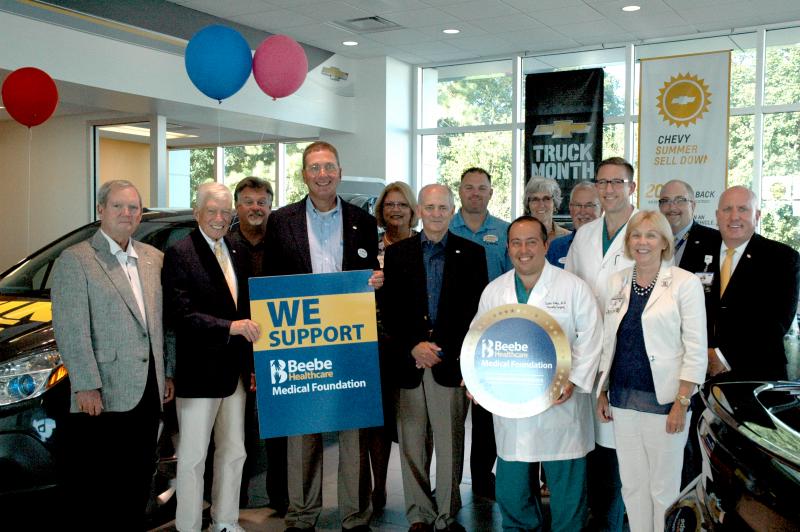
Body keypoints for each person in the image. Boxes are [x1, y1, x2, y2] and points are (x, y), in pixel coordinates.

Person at [263, 141, 382, 532]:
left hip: (350, 340)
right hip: (301, 339)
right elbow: (269, 283)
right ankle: (301, 515)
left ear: (340, 172)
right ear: (304, 175)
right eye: (314, 168)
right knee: (302, 431)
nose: (323, 174)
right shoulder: (281, 221)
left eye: (329, 166)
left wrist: (376, 281)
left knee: (353, 430)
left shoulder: (362, 221)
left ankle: (355, 515)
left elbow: (370, 275)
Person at [51, 180, 174, 530]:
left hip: (147, 390)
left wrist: (167, 372)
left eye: (133, 207)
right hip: (103, 393)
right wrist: (85, 384)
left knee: (139, 478)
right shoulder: (76, 260)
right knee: (102, 483)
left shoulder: (153, 259)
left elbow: (164, 325)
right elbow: (71, 329)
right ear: (100, 210)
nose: (126, 213)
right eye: (118, 206)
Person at [469, 215, 602, 532]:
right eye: (516, 242)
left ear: (545, 245)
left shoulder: (572, 287)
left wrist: (572, 379)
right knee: (512, 490)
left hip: (561, 406)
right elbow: (479, 340)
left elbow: (592, 336)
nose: (523, 250)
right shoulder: (495, 291)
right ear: (507, 247)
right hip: (512, 406)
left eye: (531, 242)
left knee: (567, 492)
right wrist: (475, 378)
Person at [382, 184, 488, 532]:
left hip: (449, 362)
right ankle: (419, 514)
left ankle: (446, 513)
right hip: (410, 361)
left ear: (452, 210)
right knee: (412, 444)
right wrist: (413, 345)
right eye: (430, 207)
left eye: (443, 207)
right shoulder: (398, 254)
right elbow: (390, 312)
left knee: (450, 443)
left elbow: (476, 314)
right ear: (419, 211)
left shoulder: (472, 254)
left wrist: (443, 349)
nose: (437, 213)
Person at [596, 210, 708, 532]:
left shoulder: (685, 283)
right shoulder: (616, 281)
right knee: (632, 486)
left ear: (664, 242)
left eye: (651, 235)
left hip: (666, 402)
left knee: (663, 488)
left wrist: (682, 402)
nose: (642, 242)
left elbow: (695, 347)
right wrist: (602, 391)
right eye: (636, 235)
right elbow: (608, 339)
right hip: (622, 398)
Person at [163, 182, 260, 532]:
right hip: (198, 373)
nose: (219, 218)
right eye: (212, 211)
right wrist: (230, 327)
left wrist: (251, 365)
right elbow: (180, 315)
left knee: (234, 451)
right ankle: (188, 526)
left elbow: (247, 309)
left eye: (225, 212)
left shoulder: (237, 250)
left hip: (234, 373)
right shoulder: (180, 253)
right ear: (197, 213)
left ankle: (225, 521)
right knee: (193, 457)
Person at [566, 156, 638, 531]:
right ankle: (600, 517)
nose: (609, 189)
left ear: (632, 187)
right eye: (603, 182)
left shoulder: (645, 230)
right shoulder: (585, 234)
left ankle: (618, 521)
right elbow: (569, 287)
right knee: (592, 444)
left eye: (617, 182)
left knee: (620, 448)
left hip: (626, 351)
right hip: (587, 349)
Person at [449, 166, 513, 499]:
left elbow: (514, 278)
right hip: (450, 330)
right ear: (459, 191)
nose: (475, 193)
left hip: (492, 331)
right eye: (469, 187)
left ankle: (483, 478)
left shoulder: (504, 232)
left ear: (491, 192)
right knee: (450, 413)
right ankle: (449, 482)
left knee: (486, 411)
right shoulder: (445, 227)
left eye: (482, 188)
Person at [228, 176, 289, 514]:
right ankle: (233, 499)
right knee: (237, 431)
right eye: (249, 202)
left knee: (278, 428)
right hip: (234, 349)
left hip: (278, 345)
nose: (255, 208)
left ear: (270, 206)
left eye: (262, 202)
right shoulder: (224, 245)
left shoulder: (284, 244)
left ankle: (280, 498)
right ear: (237, 206)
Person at [657, 179, 721, 487]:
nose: (672, 208)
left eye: (679, 200)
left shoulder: (715, 242)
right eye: (665, 201)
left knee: (692, 446)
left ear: (693, 205)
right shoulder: (650, 242)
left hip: (696, 363)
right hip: (657, 362)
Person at [708, 186, 800, 382]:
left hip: (757, 377)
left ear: (757, 216)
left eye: (742, 209)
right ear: (717, 216)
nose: (734, 216)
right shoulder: (699, 254)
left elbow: (776, 323)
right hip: (702, 374)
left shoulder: (782, 258)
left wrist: (723, 356)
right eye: (727, 209)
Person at [370, 180, 419, 511]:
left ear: (412, 210)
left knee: (413, 421)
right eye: (389, 204)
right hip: (374, 343)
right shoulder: (368, 246)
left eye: (402, 204)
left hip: (412, 345)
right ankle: (379, 488)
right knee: (378, 420)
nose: (396, 210)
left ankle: (418, 490)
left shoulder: (423, 245)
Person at [546, 180, 601, 268]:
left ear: (602, 209)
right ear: (570, 208)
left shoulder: (612, 246)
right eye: (578, 205)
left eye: (589, 205)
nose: (583, 211)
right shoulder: (556, 247)